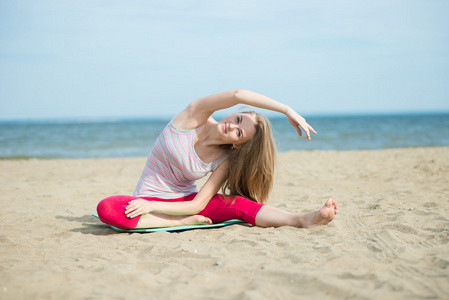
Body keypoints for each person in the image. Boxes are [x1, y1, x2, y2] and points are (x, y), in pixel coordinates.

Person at [97, 90, 338, 230]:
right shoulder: (194, 115)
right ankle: (179, 223)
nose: (232, 125)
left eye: (239, 132)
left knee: (239, 205)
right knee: (106, 209)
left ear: (237, 144)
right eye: (238, 119)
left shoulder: (226, 158)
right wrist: (286, 109)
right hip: (146, 198)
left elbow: (197, 205)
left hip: (182, 203)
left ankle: (302, 219)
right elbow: (236, 94)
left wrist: (157, 208)